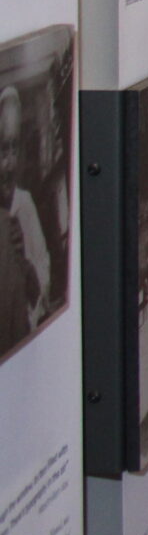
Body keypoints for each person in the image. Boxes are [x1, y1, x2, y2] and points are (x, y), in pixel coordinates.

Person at [0, 85, 50, 358]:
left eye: (14, 149)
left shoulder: (26, 204)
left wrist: (32, 277)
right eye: (2, 150)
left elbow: (43, 267)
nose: (8, 164)